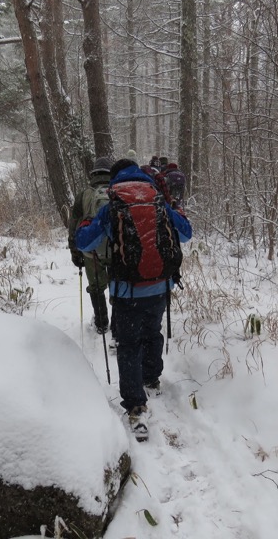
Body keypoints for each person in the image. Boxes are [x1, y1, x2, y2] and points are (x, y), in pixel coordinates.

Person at [76, 158, 193, 441]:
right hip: (160, 286)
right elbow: (186, 233)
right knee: (152, 331)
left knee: (128, 345)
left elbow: (85, 242)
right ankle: (151, 377)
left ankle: (136, 406)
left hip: (127, 291)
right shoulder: (157, 200)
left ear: (116, 179)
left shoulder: (113, 204)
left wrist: (87, 224)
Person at [68, 157, 113, 334]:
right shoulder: (118, 191)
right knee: (118, 286)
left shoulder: (84, 194)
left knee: (96, 287)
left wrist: (74, 249)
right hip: (116, 249)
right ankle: (118, 325)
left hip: (90, 251)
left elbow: (74, 224)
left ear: (93, 173)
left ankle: (101, 323)